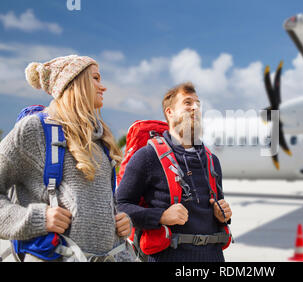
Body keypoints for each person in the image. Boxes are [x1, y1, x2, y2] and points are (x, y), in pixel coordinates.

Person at [0, 55, 132, 262]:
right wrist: (37, 218)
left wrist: (121, 222)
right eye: (96, 78)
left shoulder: (101, 140)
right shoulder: (34, 130)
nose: (103, 87)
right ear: (74, 83)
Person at [116, 82, 232, 262]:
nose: (195, 108)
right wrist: (160, 216)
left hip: (213, 256)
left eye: (198, 104)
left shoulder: (211, 161)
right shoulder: (147, 156)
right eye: (187, 103)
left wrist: (222, 213)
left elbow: (217, 206)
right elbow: (120, 205)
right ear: (169, 112)